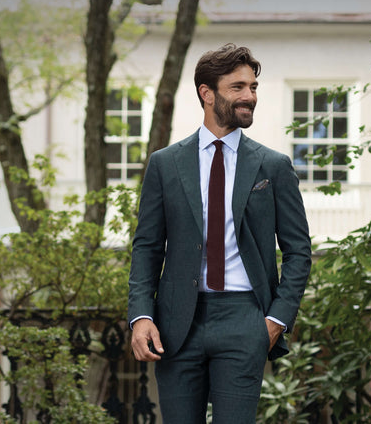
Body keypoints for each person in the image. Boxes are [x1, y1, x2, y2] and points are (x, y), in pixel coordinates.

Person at [127, 44, 312, 423]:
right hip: (176, 323)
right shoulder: (165, 164)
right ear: (206, 93)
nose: (250, 97)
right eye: (238, 87)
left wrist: (276, 320)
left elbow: (298, 250)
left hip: (244, 318)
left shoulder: (273, 166)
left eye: (253, 87)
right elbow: (147, 247)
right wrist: (141, 315)